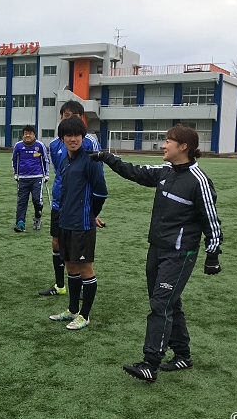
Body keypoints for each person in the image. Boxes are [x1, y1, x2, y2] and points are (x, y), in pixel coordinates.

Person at [89, 124, 223, 382]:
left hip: (180, 254)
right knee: (169, 302)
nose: (163, 145)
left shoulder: (199, 181)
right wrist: (107, 157)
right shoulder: (165, 171)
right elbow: (135, 172)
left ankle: (150, 362)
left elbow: (211, 219)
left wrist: (213, 254)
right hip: (157, 249)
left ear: (183, 147)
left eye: (167, 141)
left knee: (161, 304)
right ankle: (183, 356)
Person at [39, 100, 104, 297]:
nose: (71, 120)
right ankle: (60, 286)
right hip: (60, 204)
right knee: (57, 243)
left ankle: (83, 285)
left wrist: (92, 211)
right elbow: (61, 174)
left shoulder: (89, 143)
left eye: (75, 117)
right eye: (67, 116)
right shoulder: (55, 144)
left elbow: (95, 178)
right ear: (61, 118)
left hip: (80, 207)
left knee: (79, 251)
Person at [48, 117, 107, 330]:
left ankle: (85, 315)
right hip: (65, 222)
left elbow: (101, 192)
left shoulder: (91, 161)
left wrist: (92, 214)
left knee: (85, 269)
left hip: (82, 225)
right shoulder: (65, 161)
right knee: (70, 266)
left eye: (77, 135)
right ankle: (72, 310)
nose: (73, 139)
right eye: (68, 135)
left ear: (83, 137)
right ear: (62, 138)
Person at [12, 125, 49, 232]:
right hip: (23, 178)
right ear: (23, 135)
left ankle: (38, 217)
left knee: (37, 200)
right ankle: (20, 222)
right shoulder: (18, 146)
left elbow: (46, 160)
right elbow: (14, 159)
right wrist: (15, 173)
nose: (28, 135)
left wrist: (46, 174)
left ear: (34, 135)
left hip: (37, 177)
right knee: (21, 201)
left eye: (30, 133)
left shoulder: (40, 145)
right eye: (25, 133)